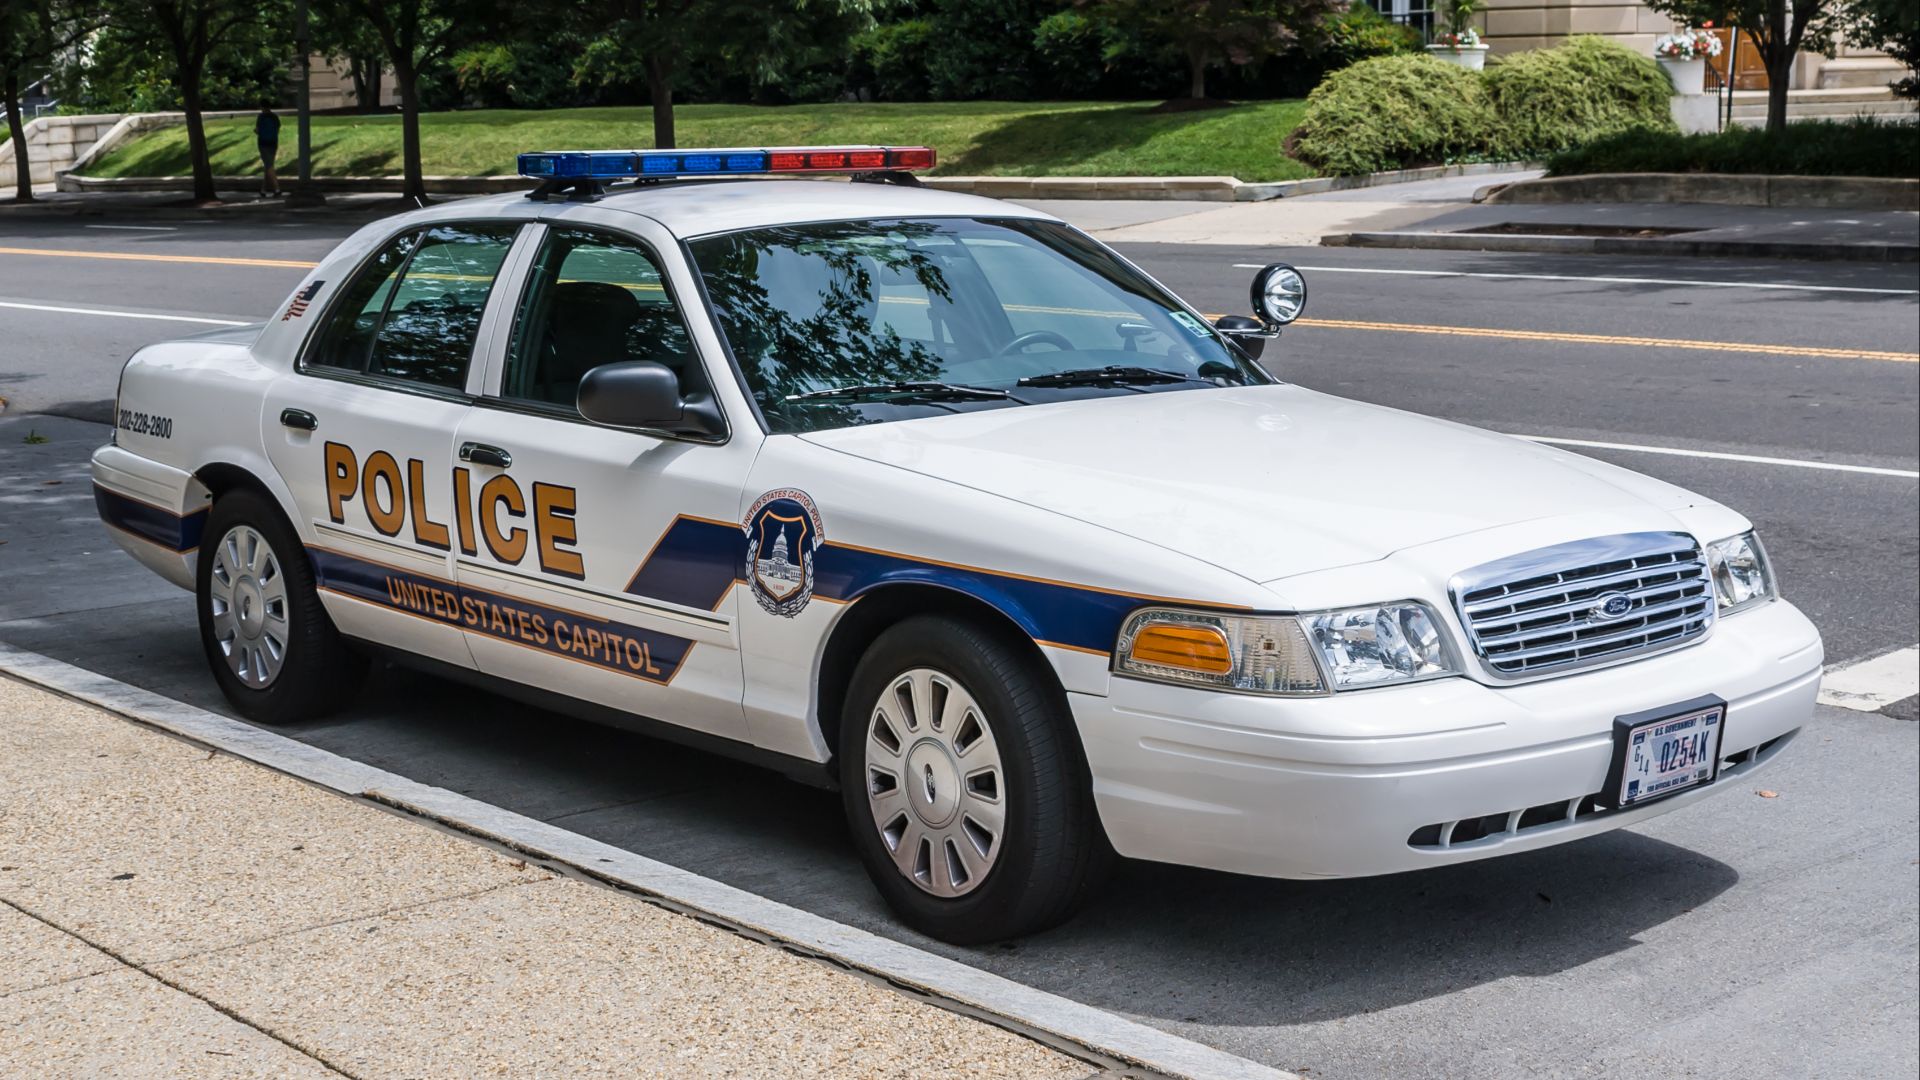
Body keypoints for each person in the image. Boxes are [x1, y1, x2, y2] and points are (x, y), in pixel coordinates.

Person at [255, 105, 282, 197]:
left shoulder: (261, 117)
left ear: (262, 107)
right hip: (273, 143)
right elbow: (278, 129)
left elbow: (257, 130)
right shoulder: (275, 117)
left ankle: (277, 188)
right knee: (269, 165)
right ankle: (263, 190)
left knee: (269, 165)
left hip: (263, 143)